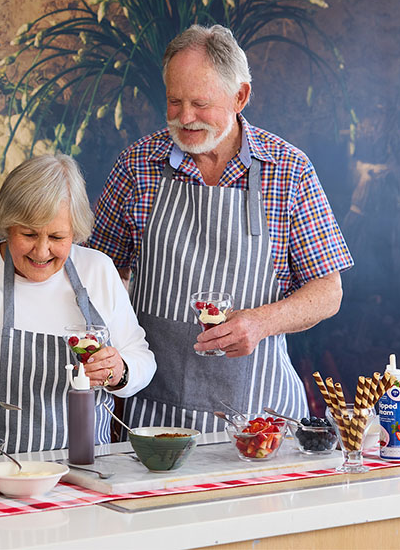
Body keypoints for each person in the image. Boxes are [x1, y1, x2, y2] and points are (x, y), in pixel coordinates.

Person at [88, 24, 354, 432]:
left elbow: (327, 292)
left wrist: (261, 322)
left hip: (260, 418)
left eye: (201, 103)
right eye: (174, 101)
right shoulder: (136, 166)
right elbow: (96, 274)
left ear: (241, 96)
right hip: (153, 418)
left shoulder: (289, 171)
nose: (185, 117)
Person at [0, 154, 156, 453]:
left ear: (75, 231)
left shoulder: (98, 270)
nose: (42, 250)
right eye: (29, 234)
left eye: (58, 236)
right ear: (7, 225)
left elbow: (142, 358)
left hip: (87, 471)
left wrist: (120, 370)